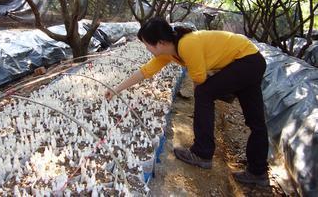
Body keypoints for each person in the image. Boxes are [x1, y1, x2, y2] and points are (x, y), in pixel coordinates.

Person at [104, 16, 269, 186]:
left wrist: (201, 106)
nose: (145, 48)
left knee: (204, 94)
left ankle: (202, 153)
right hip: (250, 59)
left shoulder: (187, 44)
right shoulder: (170, 53)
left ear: (160, 43)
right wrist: (116, 89)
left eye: (146, 44)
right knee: (255, 121)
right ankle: (258, 172)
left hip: (246, 61)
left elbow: (200, 79)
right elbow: (145, 71)